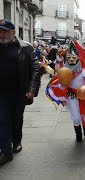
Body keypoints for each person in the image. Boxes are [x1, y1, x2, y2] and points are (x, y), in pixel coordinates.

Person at [46, 40, 85, 142]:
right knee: (76, 118)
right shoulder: (64, 71)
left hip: (82, 97)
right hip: (71, 97)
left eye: (73, 57)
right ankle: (78, 135)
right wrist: (62, 85)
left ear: (77, 57)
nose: (71, 59)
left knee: (84, 117)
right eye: (69, 57)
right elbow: (60, 84)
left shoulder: (83, 71)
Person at [0, 19, 40, 166]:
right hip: (2, 92)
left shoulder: (25, 47)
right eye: (0, 31)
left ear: (13, 32)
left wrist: (32, 89)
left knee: (17, 118)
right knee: (2, 120)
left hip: (19, 91)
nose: (2, 34)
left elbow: (35, 69)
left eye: (5, 31)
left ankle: (16, 141)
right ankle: (5, 151)